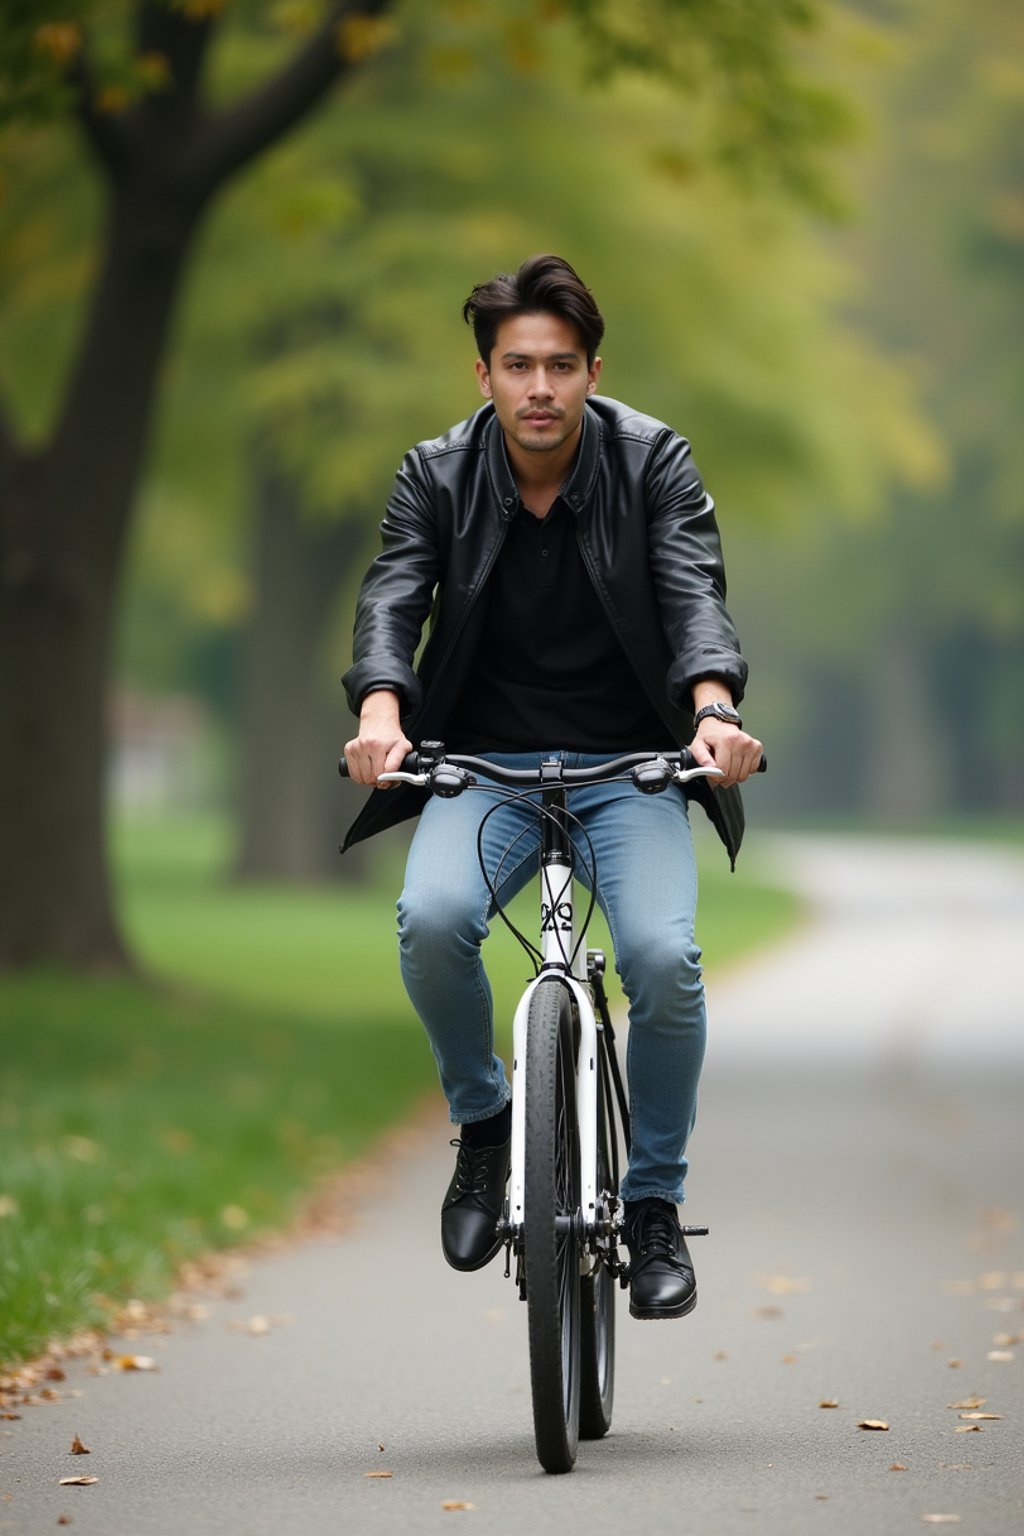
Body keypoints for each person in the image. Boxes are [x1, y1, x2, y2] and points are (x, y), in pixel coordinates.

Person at [342, 254, 763, 1320]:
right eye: (517, 365)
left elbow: (690, 593)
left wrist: (712, 714)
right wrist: (380, 719)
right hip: (481, 768)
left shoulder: (652, 460)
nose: (540, 387)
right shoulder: (434, 474)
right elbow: (394, 597)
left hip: (630, 771)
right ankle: (485, 1127)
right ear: (481, 375)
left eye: (561, 366)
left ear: (591, 372)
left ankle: (654, 1203)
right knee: (430, 921)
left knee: (664, 961)